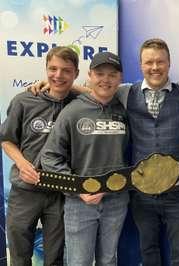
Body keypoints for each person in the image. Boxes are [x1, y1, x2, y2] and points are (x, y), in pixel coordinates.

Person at [40, 51, 129, 266]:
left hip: (116, 200)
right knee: (79, 262)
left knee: (108, 260)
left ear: (120, 78)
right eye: (99, 73)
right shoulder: (72, 111)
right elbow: (50, 156)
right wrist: (78, 189)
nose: (105, 80)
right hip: (80, 204)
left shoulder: (126, 109)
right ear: (89, 75)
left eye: (112, 75)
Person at [116, 38, 179, 266]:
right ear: (141, 65)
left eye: (160, 62)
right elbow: (95, 89)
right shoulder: (124, 93)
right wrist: (55, 85)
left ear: (169, 63)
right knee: (148, 251)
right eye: (149, 62)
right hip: (141, 193)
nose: (155, 67)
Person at [0, 46, 79, 266]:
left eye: (66, 70)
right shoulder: (24, 101)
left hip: (60, 193)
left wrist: (74, 88)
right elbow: (6, 139)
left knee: (54, 257)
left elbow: (99, 93)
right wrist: (22, 163)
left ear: (76, 73)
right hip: (25, 191)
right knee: (19, 254)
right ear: (45, 69)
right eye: (52, 69)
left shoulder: (81, 105)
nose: (58, 75)